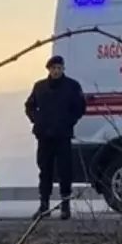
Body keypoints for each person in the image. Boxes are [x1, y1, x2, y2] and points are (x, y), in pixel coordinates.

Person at [25, 55, 85, 220]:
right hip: (44, 135)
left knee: (65, 170)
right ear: (49, 70)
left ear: (63, 69)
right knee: (45, 170)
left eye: (59, 68)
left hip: (63, 135)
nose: (56, 71)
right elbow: (29, 106)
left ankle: (65, 206)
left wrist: (69, 122)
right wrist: (36, 119)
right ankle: (44, 205)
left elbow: (80, 108)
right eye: (53, 68)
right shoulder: (40, 87)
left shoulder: (72, 86)